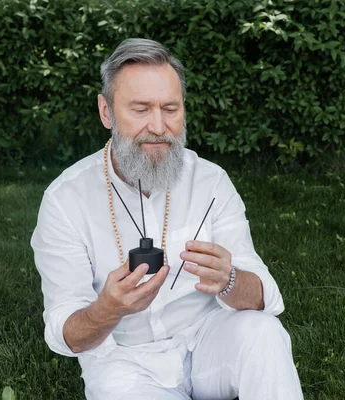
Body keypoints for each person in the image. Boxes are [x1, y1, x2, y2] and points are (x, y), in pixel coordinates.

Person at [30, 38, 304, 400]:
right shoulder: (66, 200)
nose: (158, 126)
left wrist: (230, 279)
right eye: (141, 109)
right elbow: (64, 332)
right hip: (124, 363)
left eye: (170, 109)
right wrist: (107, 309)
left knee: (265, 334)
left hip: (208, 338)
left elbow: (265, 296)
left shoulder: (210, 181)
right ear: (106, 112)